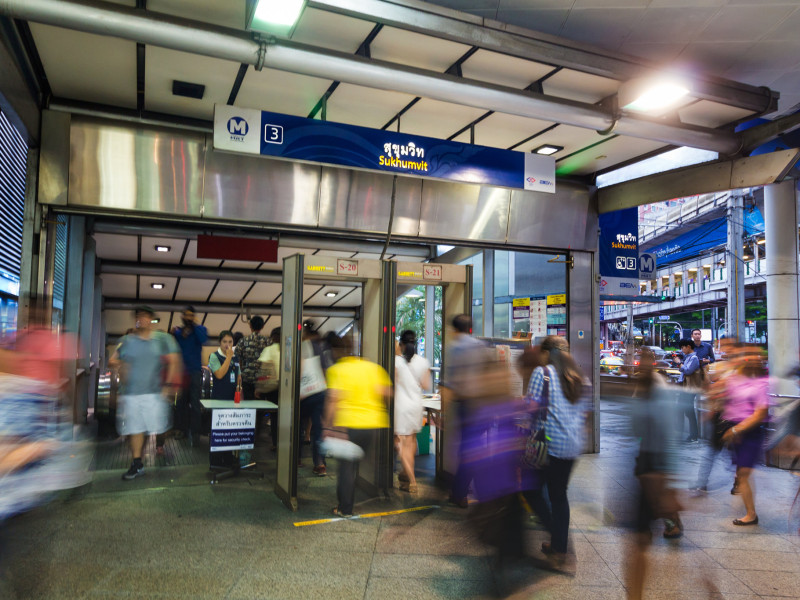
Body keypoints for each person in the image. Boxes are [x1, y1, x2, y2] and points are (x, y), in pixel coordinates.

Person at [626, 348, 682, 599]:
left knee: (643, 534)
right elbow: (635, 427)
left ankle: (672, 523)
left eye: (646, 360)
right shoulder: (642, 386)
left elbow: (669, 435)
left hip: (657, 466)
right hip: (645, 464)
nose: (642, 364)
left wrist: (671, 480)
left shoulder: (659, 389)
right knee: (640, 538)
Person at [526, 336, 585, 567]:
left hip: (549, 446)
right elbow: (584, 414)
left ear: (547, 353)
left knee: (531, 491)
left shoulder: (543, 373)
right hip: (572, 447)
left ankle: (558, 537)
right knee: (559, 496)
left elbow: (531, 408)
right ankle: (559, 547)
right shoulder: (579, 377)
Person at [108, 306, 182, 480]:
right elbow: (112, 360)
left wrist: (169, 385)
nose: (141, 319)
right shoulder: (127, 341)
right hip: (131, 394)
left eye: (145, 316)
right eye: (138, 316)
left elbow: (174, 360)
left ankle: (154, 449)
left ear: (151, 320)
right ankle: (137, 463)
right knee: (136, 429)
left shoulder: (162, 339)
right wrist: (122, 365)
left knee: (157, 428)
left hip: (154, 393)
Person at [323, 335, 392, 517]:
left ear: (338, 351)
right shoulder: (373, 368)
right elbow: (387, 392)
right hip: (373, 424)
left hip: (349, 425)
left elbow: (333, 399)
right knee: (360, 462)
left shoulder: (337, 370)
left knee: (347, 467)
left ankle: (345, 508)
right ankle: (381, 491)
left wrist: (327, 425)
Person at [441, 314, 489, 509]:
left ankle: (466, 493)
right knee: (473, 448)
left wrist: (444, 413)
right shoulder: (481, 346)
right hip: (482, 405)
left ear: (455, 330)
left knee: (468, 451)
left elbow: (449, 384)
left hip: (465, 406)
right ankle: (463, 492)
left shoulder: (455, 348)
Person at [720, 344, 769, 526]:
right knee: (742, 473)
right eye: (747, 355)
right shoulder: (735, 379)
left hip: (750, 431)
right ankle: (751, 514)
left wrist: (736, 430)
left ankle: (751, 514)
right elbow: (726, 399)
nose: (751, 358)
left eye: (755, 355)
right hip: (736, 431)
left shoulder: (762, 383)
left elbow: (760, 413)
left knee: (743, 472)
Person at [394, 330, 431, 494]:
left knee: (400, 444)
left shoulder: (396, 361)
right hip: (416, 405)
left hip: (401, 406)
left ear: (401, 344)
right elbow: (426, 385)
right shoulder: (423, 361)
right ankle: (405, 475)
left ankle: (412, 480)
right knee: (411, 441)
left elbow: (393, 383)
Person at [172, 306, 208, 447]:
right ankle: (181, 429)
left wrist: (194, 326)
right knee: (181, 402)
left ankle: (195, 432)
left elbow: (203, 339)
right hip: (181, 372)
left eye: (191, 315)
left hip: (195, 372)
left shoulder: (200, 330)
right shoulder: (178, 332)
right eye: (186, 315)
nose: (188, 318)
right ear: (182, 316)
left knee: (195, 403)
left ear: (194, 317)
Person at [299, 322, 328, 476]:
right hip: (319, 392)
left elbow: (299, 369)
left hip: (304, 394)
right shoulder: (317, 347)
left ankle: (296, 458)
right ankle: (319, 463)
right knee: (318, 429)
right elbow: (324, 369)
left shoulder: (299, 346)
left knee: (297, 426)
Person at [674, 338, 702, 443]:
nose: (682, 350)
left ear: (688, 347)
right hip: (685, 387)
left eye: (683, 347)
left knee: (689, 411)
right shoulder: (688, 357)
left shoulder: (693, 358)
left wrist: (679, 363)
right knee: (681, 409)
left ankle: (694, 435)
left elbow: (688, 371)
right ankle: (683, 433)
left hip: (690, 388)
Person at [257, 327, 281, 450]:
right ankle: (281, 442)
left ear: (273, 337)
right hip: (286, 387)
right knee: (281, 416)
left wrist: (258, 388)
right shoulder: (289, 349)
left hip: (272, 386)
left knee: (272, 415)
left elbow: (264, 369)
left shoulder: (269, 349)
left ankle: (273, 443)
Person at [236, 316, 268, 401]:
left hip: (246, 378)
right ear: (262, 326)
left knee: (248, 404)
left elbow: (237, 359)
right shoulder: (267, 341)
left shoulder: (243, 341)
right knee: (261, 405)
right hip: (262, 380)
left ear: (250, 325)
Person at [208, 330, 240, 400]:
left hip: (233, 397)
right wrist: (228, 357)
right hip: (218, 397)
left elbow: (238, 375)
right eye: (224, 342)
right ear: (220, 342)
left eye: (230, 342)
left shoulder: (235, 357)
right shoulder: (214, 356)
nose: (227, 344)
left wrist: (239, 386)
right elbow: (219, 375)